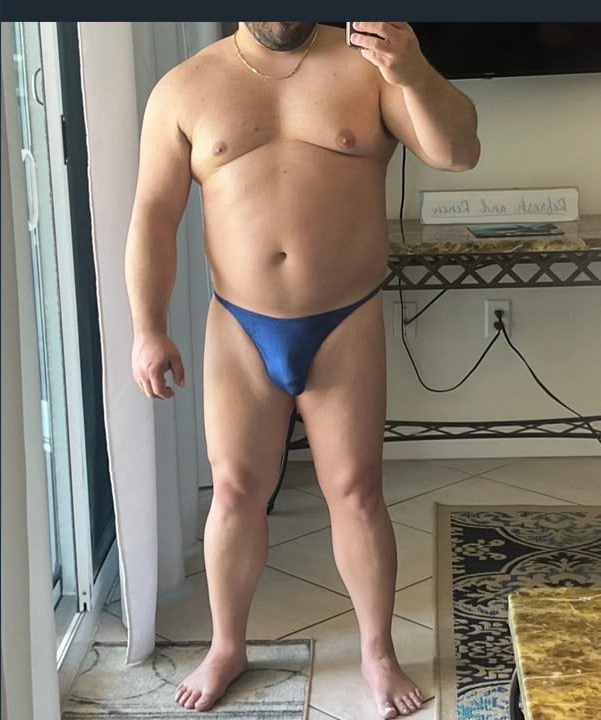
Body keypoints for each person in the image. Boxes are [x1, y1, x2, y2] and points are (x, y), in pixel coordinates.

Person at [125, 21, 480, 718]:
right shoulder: (184, 89)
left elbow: (459, 153)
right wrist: (148, 329)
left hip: (344, 319)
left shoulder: (369, 67)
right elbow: (154, 215)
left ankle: (377, 651)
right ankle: (227, 646)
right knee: (235, 491)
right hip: (240, 325)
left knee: (357, 492)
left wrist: (413, 71)